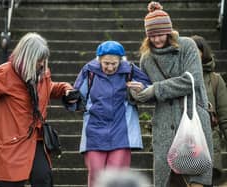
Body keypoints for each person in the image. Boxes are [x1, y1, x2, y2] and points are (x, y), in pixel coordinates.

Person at [0, 32, 78, 187]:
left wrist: (65, 89)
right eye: (39, 60)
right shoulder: (5, 73)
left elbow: (48, 88)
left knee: (43, 178)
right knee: (11, 184)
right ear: (28, 57)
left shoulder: (43, 72)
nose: (42, 64)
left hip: (35, 139)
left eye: (44, 60)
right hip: (12, 142)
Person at [128, 2, 213, 187]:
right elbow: (149, 92)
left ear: (169, 30)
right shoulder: (147, 58)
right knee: (165, 178)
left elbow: (192, 80)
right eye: (152, 36)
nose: (157, 39)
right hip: (165, 124)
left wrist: (155, 89)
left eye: (160, 34)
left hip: (193, 116)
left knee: (198, 175)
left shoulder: (187, 46)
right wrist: (138, 93)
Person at [71, 40, 151, 187]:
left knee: (117, 177)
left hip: (121, 130)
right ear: (99, 59)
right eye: (106, 63)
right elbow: (76, 96)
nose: (110, 67)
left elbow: (149, 87)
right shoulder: (89, 70)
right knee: (96, 175)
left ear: (120, 60)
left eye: (114, 63)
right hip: (94, 130)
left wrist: (140, 89)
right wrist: (70, 100)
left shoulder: (129, 70)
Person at [191, 35, 227, 186]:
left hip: (209, 142)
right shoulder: (177, 77)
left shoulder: (215, 80)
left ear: (203, 53)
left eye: (195, 51)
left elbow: (224, 116)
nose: (192, 55)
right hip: (183, 143)